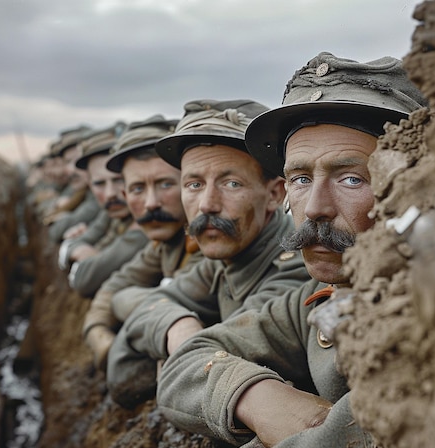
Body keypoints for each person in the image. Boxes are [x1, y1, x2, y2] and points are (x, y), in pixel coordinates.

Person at [156, 52, 428, 448]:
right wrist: (261, 398)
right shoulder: (319, 299)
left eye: (352, 178)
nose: (316, 207)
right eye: (301, 179)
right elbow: (186, 364)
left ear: (417, 187)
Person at [105, 99, 311, 408]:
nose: (207, 204)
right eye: (194, 184)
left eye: (231, 183)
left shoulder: (295, 268)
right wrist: (178, 327)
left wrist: (177, 351)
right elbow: (122, 369)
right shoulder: (227, 258)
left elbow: (197, 377)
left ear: (274, 194)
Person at [81, 115, 204, 372]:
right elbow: (115, 285)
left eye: (165, 184)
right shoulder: (166, 241)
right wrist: (97, 332)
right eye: (138, 188)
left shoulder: (209, 241)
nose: (151, 203)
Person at [58, 126, 149, 298]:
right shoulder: (113, 212)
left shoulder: (146, 224)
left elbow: (83, 279)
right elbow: (70, 244)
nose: (110, 193)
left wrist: (93, 256)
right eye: (99, 183)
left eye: (119, 180)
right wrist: (77, 250)